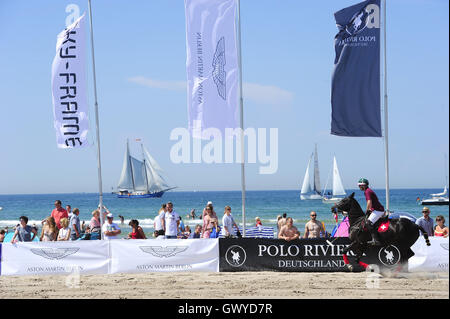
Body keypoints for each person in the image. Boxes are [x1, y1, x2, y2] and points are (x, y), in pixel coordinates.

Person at [358, 178, 385, 245]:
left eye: (360, 185)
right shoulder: (367, 191)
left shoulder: (367, 191)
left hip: (378, 210)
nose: (359, 187)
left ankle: (375, 240)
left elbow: (369, 202)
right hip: (375, 210)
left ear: (364, 185)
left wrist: (367, 211)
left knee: (368, 223)